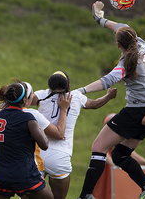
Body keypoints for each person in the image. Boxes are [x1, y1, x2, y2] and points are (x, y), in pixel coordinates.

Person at [77, 1, 145, 199]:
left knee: (98, 148)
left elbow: (106, 81)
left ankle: (85, 195)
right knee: (120, 155)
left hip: (136, 113)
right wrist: (101, 19)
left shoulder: (127, 64)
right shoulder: (142, 44)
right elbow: (122, 28)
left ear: (118, 45)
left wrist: (81, 90)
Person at [30, 70, 117, 199]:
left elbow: (20, 99)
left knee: (29, 196)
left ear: (50, 87)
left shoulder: (42, 95)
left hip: (38, 153)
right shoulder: (76, 96)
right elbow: (95, 104)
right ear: (69, 86)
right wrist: (108, 96)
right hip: (60, 157)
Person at [0, 82, 72, 180]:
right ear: (25, 100)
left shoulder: (3, 111)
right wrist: (64, 109)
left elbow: (0, 92)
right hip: (24, 171)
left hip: (0, 170)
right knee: (47, 196)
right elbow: (59, 134)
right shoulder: (32, 115)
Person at [0, 82, 54, 199]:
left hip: (2, 173)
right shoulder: (28, 118)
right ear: (24, 100)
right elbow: (44, 145)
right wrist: (40, 128)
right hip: (24, 173)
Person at [93, 113, 145, 199]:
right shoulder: (103, 144)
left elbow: (133, 155)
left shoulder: (121, 146)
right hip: (105, 176)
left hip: (117, 177)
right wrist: (114, 164)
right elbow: (103, 153)